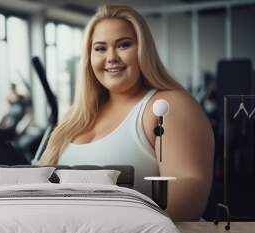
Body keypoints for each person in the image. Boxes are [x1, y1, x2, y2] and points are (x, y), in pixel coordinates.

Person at [38, 4, 214, 221]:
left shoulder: (166, 105)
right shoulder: (75, 118)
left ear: (143, 50)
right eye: (100, 48)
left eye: (124, 45)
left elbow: (191, 186)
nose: (111, 57)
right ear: (89, 57)